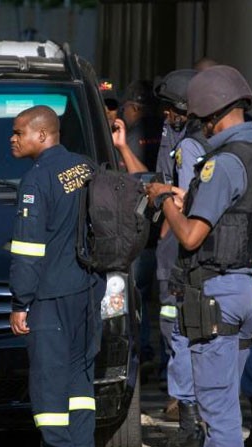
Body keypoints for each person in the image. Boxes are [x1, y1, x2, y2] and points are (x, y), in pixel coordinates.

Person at [148, 65, 252, 447]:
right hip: (250, 291)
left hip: (218, 294)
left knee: (218, 407)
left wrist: (165, 198)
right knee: (229, 396)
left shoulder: (220, 164)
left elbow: (189, 236)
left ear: (212, 116)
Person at [8, 105, 101, 447]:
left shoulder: (37, 179)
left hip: (51, 293)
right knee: (80, 374)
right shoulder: (86, 167)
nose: (12, 139)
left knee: (48, 378)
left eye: (18, 133)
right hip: (89, 287)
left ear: (42, 135)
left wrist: (20, 301)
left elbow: (28, 249)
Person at [147, 69, 207, 447]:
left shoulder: (189, 147)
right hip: (214, 258)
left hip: (183, 257)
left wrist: (162, 192)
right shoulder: (224, 141)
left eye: (170, 110)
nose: (166, 116)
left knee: (177, 335)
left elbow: (183, 200)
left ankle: (188, 423)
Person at [112, 80, 165, 372]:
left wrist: (120, 148)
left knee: (137, 295)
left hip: (144, 231)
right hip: (164, 232)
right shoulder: (165, 132)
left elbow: (143, 180)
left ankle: (142, 352)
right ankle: (156, 360)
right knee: (164, 301)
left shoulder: (134, 136)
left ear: (133, 107)